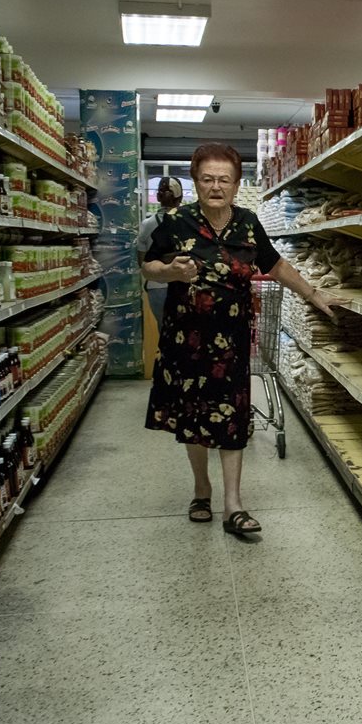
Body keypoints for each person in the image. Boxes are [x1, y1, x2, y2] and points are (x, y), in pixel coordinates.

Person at [142, 143, 340, 537]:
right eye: (208, 179)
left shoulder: (249, 222)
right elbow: (148, 266)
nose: (216, 186)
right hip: (186, 339)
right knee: (193, 417)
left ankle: (234, 504)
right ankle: (202, 489)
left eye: (224, 180)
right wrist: (170, 272)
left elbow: (276, 264)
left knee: (232, 418)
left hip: (231, 340)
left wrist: (314, 294)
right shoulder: (176, 222)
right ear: (196, 182)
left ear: (235, 185)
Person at [136, 176, 183, 327]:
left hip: (156, 285)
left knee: (163, 331)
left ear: (158, 197)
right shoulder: (186, 223)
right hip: (181, 284)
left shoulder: (146, 224)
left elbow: (141, 261)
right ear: (179, 197)